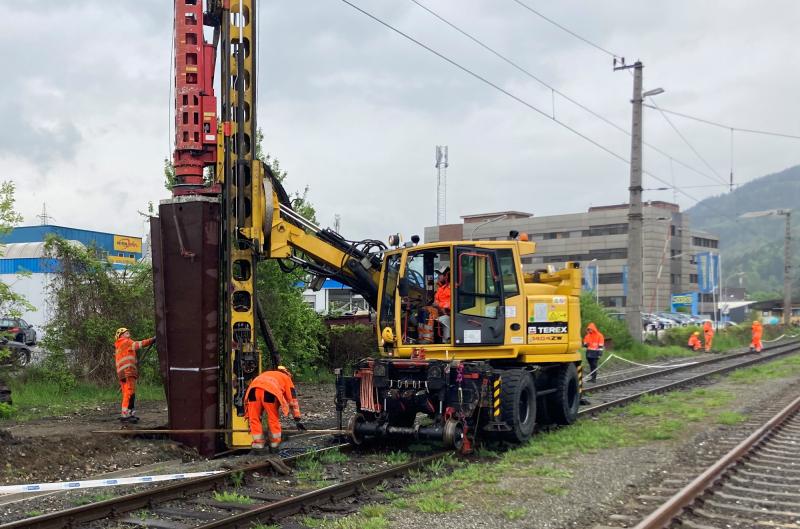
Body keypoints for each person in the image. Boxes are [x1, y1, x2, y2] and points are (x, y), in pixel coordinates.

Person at [245, 366, 305, 450]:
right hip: (269, 392)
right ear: (287, 374)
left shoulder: (268, 374)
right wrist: (297, 418)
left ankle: (258, 444)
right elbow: (292, 400)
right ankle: (275, 443)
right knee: (272, 417)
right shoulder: (286, 378)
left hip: (253, 391)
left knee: (254, 418)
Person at [114, 328, 155, 423]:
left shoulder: (118, 346)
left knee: (127, 393)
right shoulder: (126, 342)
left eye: (128, 331)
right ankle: (125, 415)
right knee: (129, 392)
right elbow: (139, 344)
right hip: (128, 371)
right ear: (120, 336)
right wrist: (152, 340)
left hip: (121, 372)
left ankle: (129, 413)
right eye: (125, 332)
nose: (128, 332)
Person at [432, 265, 451, 342]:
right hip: (440, 312)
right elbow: (436, 300)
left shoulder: (452, 288)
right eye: (438, 274)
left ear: (447, 276)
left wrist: (438, 305)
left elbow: (451, 303)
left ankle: (445, 341)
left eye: (440, 274)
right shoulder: (441, 288)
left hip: (448, 314)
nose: (439, 276)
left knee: (435, 320)